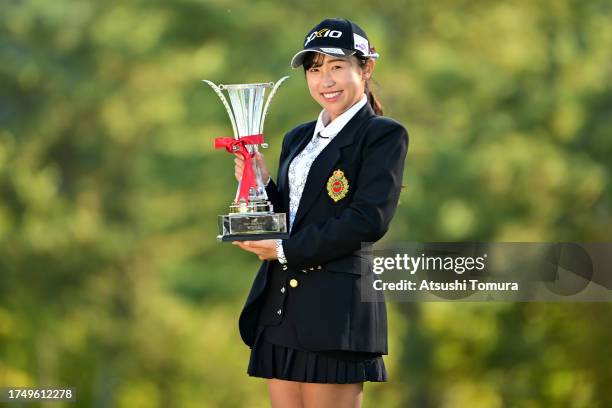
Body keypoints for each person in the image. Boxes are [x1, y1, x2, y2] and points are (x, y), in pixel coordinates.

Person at [232, 17, 409, 408]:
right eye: (315, 70)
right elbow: (296, 216)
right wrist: (260, 187)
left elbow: (368, 220)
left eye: (337, 67)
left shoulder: (382, 135)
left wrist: (283, 250)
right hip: (280, 308)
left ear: (366, 68)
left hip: (335, 313)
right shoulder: (297, 137)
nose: (325, 81)